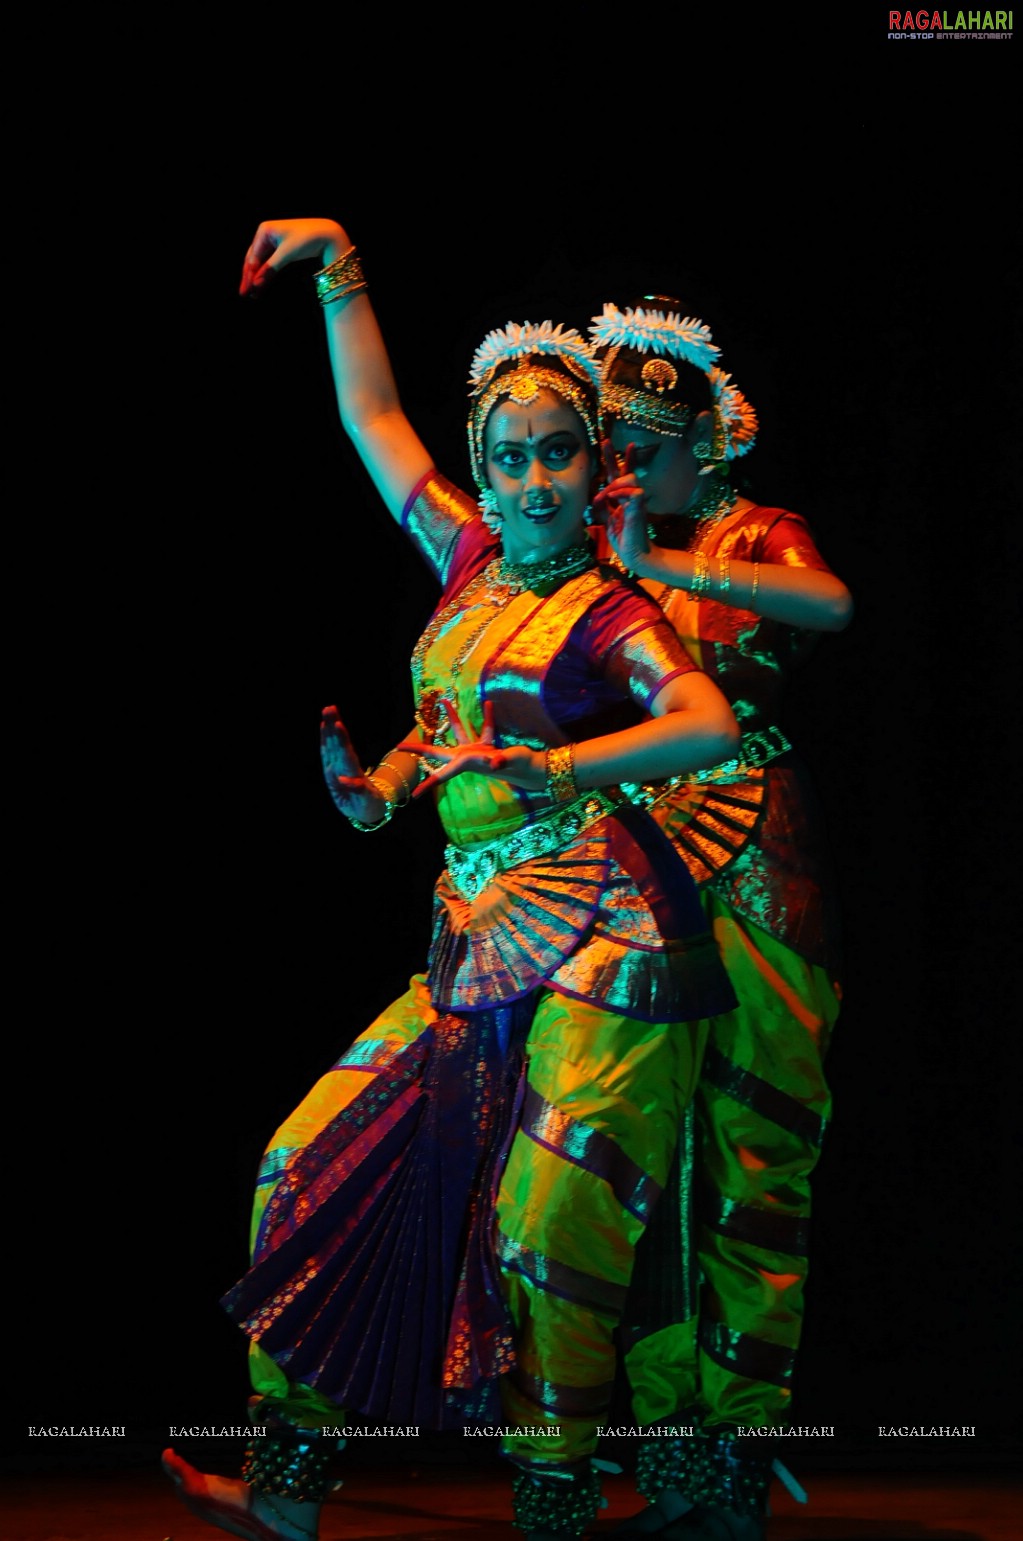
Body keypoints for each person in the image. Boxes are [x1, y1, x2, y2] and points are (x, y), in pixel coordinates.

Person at [162, 221, 743, 1541]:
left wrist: (569, 767)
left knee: (551, 1225)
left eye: (555, 454)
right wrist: (342, 269)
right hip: (476, 940)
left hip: (614, 938)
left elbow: (703, 722)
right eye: (506, 457)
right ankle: (289, 1491)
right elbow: (374, 421)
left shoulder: (612, 613)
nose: (530, 480)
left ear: (597, 469)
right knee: (302, 1164)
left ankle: (558, 1501)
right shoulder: (469, 563)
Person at [588, 300, 853, 1541]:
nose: (629, 465)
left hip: (760, 872)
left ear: (714, 440)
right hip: (632, 870)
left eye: (654, 441)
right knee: (633, 1168)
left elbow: (830, 606)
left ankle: (740, 1452)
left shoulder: (750, 535)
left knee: (754, 1161)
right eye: (615, 441)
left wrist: (664, 567)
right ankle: (670, 1459)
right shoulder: (590, 547)